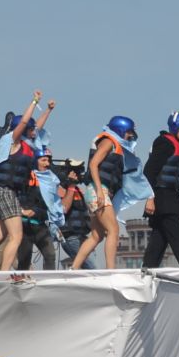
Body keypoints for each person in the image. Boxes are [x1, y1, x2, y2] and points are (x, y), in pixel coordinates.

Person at [0, 91, 55, 270]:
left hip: (13, 191)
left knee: (4, 237)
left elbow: (36, 126)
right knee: (14, 237)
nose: (35, 132)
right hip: (5, 190)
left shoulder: (29, 142)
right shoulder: (15, 140)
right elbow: (26, 121)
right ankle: (2, 273)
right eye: (31, 130)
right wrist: (34, 101)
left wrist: (48, 111)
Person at [70, 115, 136, 269]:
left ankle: (74, 268)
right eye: (129, 132)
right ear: (121, 129)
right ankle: (110, 271)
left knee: (96, 235)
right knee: (113, 230)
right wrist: (100, 191)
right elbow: (93, 164)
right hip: (97, 192)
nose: (131, 135)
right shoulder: (108, 141)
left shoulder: (116, 145)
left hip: (95, 192)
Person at [142, 111, 179, 267]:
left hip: (170, 196)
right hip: (162, 197)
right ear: (176, 128)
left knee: (160, 236)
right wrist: (150, 198)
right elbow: (149, 171)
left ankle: (148, 269)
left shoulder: (176, 144)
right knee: (177, 234)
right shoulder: (165, 142)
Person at [59, 163, 93, 268]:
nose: (77, 175)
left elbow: (87, 212)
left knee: (92, 271)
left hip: (83, 237)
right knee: (92, 269)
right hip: (71, 238)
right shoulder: (59, 188)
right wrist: (71, 185)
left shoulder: (77, 190)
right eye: (74, 172)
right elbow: (64, 208)